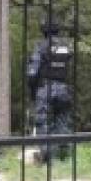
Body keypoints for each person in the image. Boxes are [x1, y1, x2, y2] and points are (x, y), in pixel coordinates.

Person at [26, 19, 74, 164]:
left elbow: (32, 73)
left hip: (46, 88)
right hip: (64, 88)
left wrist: (32, 89)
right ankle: (64, 155)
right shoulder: (65, 46)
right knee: (62, 120)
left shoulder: (41, 47)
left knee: (42, 122)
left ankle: (46, 157)